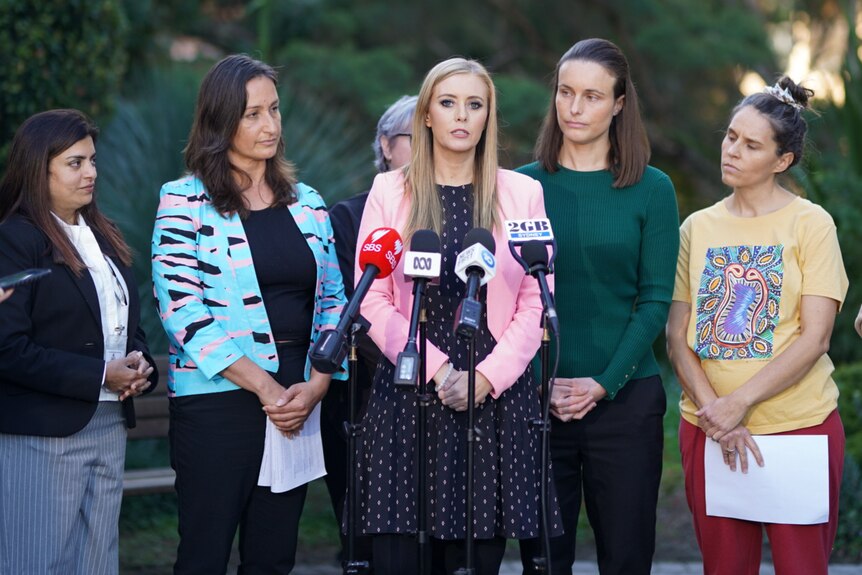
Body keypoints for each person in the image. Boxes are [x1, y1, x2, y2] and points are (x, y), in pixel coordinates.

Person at [353, 57, 555, 575]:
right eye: (448, 103)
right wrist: (439, 369)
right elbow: (371, 299)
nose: (461, 116)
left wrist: (486, 378)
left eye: (474, 104)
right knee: (398, 560)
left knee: (475, 560)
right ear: (425, 115)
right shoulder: (389, 192)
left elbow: (537, 299)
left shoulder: (522, 193)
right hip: (410, 392)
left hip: (491, 400)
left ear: (488, 116)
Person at [151, 54, 347, 574]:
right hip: (219, 401)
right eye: (252, 114)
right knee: (204, 554)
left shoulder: (307, 203)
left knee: (273, 556)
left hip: (297, 398)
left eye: (274, 110)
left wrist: (318, 383)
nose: (270, 125)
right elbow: (181, 309)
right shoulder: (182, 201)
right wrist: (265, 388)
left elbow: (333, 301)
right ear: (220, 121)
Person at [666, 77, 848, 575]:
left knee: (801, 568)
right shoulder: (696, 228)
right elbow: (676, 336)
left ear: (782, 160)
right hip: (708, 429)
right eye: (730, 137)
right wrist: (715, 415)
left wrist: (738, 404)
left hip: (798, 430)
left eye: (751, 144)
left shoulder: (811, 224)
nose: (732, 151)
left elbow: (816, 336)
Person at [517, 38, 680, 575]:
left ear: (619, 104)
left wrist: (603, 383)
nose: (575, 108)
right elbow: (509, 301)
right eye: (565, 93)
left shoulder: (651, 190)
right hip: (537, 400)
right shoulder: (519, 188)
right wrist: (545, 379)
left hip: (626, 401)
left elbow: (655, 300)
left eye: (591, 96)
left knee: (627, 557)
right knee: (543, 562)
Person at [0, 109, 157, 575]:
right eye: (75, 162)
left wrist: (140, 362)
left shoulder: (104, 237)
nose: (91, 172)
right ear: (38, 167)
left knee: (97, 564)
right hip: (42, 433)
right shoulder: (14, 239)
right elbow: (7, 349)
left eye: (92, 160)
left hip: (108, 423)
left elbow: (129, 324)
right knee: (37, 564)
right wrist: (99, 375)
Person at [323, 94, 417, 567]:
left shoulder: (462, 216)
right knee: (368, 546)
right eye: (414, 139)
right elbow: (348, 312)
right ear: (385, 144)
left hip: (449, 400)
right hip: (367, 398)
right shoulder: (349, 217)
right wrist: (419, 366)